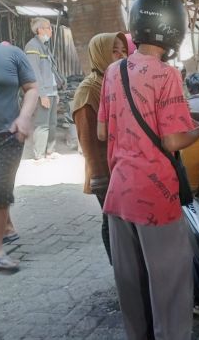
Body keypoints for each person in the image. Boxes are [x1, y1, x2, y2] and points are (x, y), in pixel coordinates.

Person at [96, 0, 199, 339]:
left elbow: (103, 131)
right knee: (169, 287)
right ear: (174, 30)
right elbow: (172, 140)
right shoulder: (166, 74)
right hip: (155, 195)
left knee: (131, 285)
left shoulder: (112, 70)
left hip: (118, 193)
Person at [0, 0, 39, 270]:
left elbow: (31, 88)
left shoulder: (12, 55)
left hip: (6, 135)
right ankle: (4, 227)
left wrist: (24, 117)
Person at [72, 32, 128, 264]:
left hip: (122, 166)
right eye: (115, 51)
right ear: (100, 54)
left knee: (123, 221)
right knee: (113, 221)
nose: (121, 56)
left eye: (124, 51)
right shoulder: (89, 90)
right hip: (105, 171)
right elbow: (88, 140)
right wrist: (99, 177)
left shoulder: (116, 81)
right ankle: (119, 269)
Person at [25, 17, 63, 161]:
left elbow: (51, 72)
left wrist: (56, 92)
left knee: (52, 122)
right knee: (42, 124)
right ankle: (39, 154)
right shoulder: (33, 46)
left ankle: (50, 151)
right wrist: (42, 94)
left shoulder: (44, 46)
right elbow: (34, 72)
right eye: (48, 28)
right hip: (44, 92)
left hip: (51, 91)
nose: (51, 30)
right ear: (40, 29)